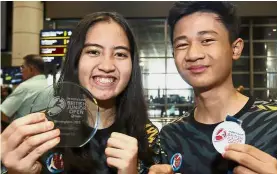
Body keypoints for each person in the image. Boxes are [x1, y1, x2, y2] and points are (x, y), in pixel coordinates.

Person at [1, 12, 161, 174]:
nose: (107, 66)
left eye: (120, 54)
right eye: (93, 52)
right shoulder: (39, 134)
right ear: (75, 60)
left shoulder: (148, 136)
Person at [149, 2, 277, 174]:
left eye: (207, 40)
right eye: (182, 44)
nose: (193, 54)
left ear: (235, 48)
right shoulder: (169, 137)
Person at [1, 54, 48, 123]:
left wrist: (13, 124)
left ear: (31, 69)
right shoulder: (51, 86)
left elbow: (3, 112)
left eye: (23, 67)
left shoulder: (26, 87)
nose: (21, 71)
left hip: (25, 130)